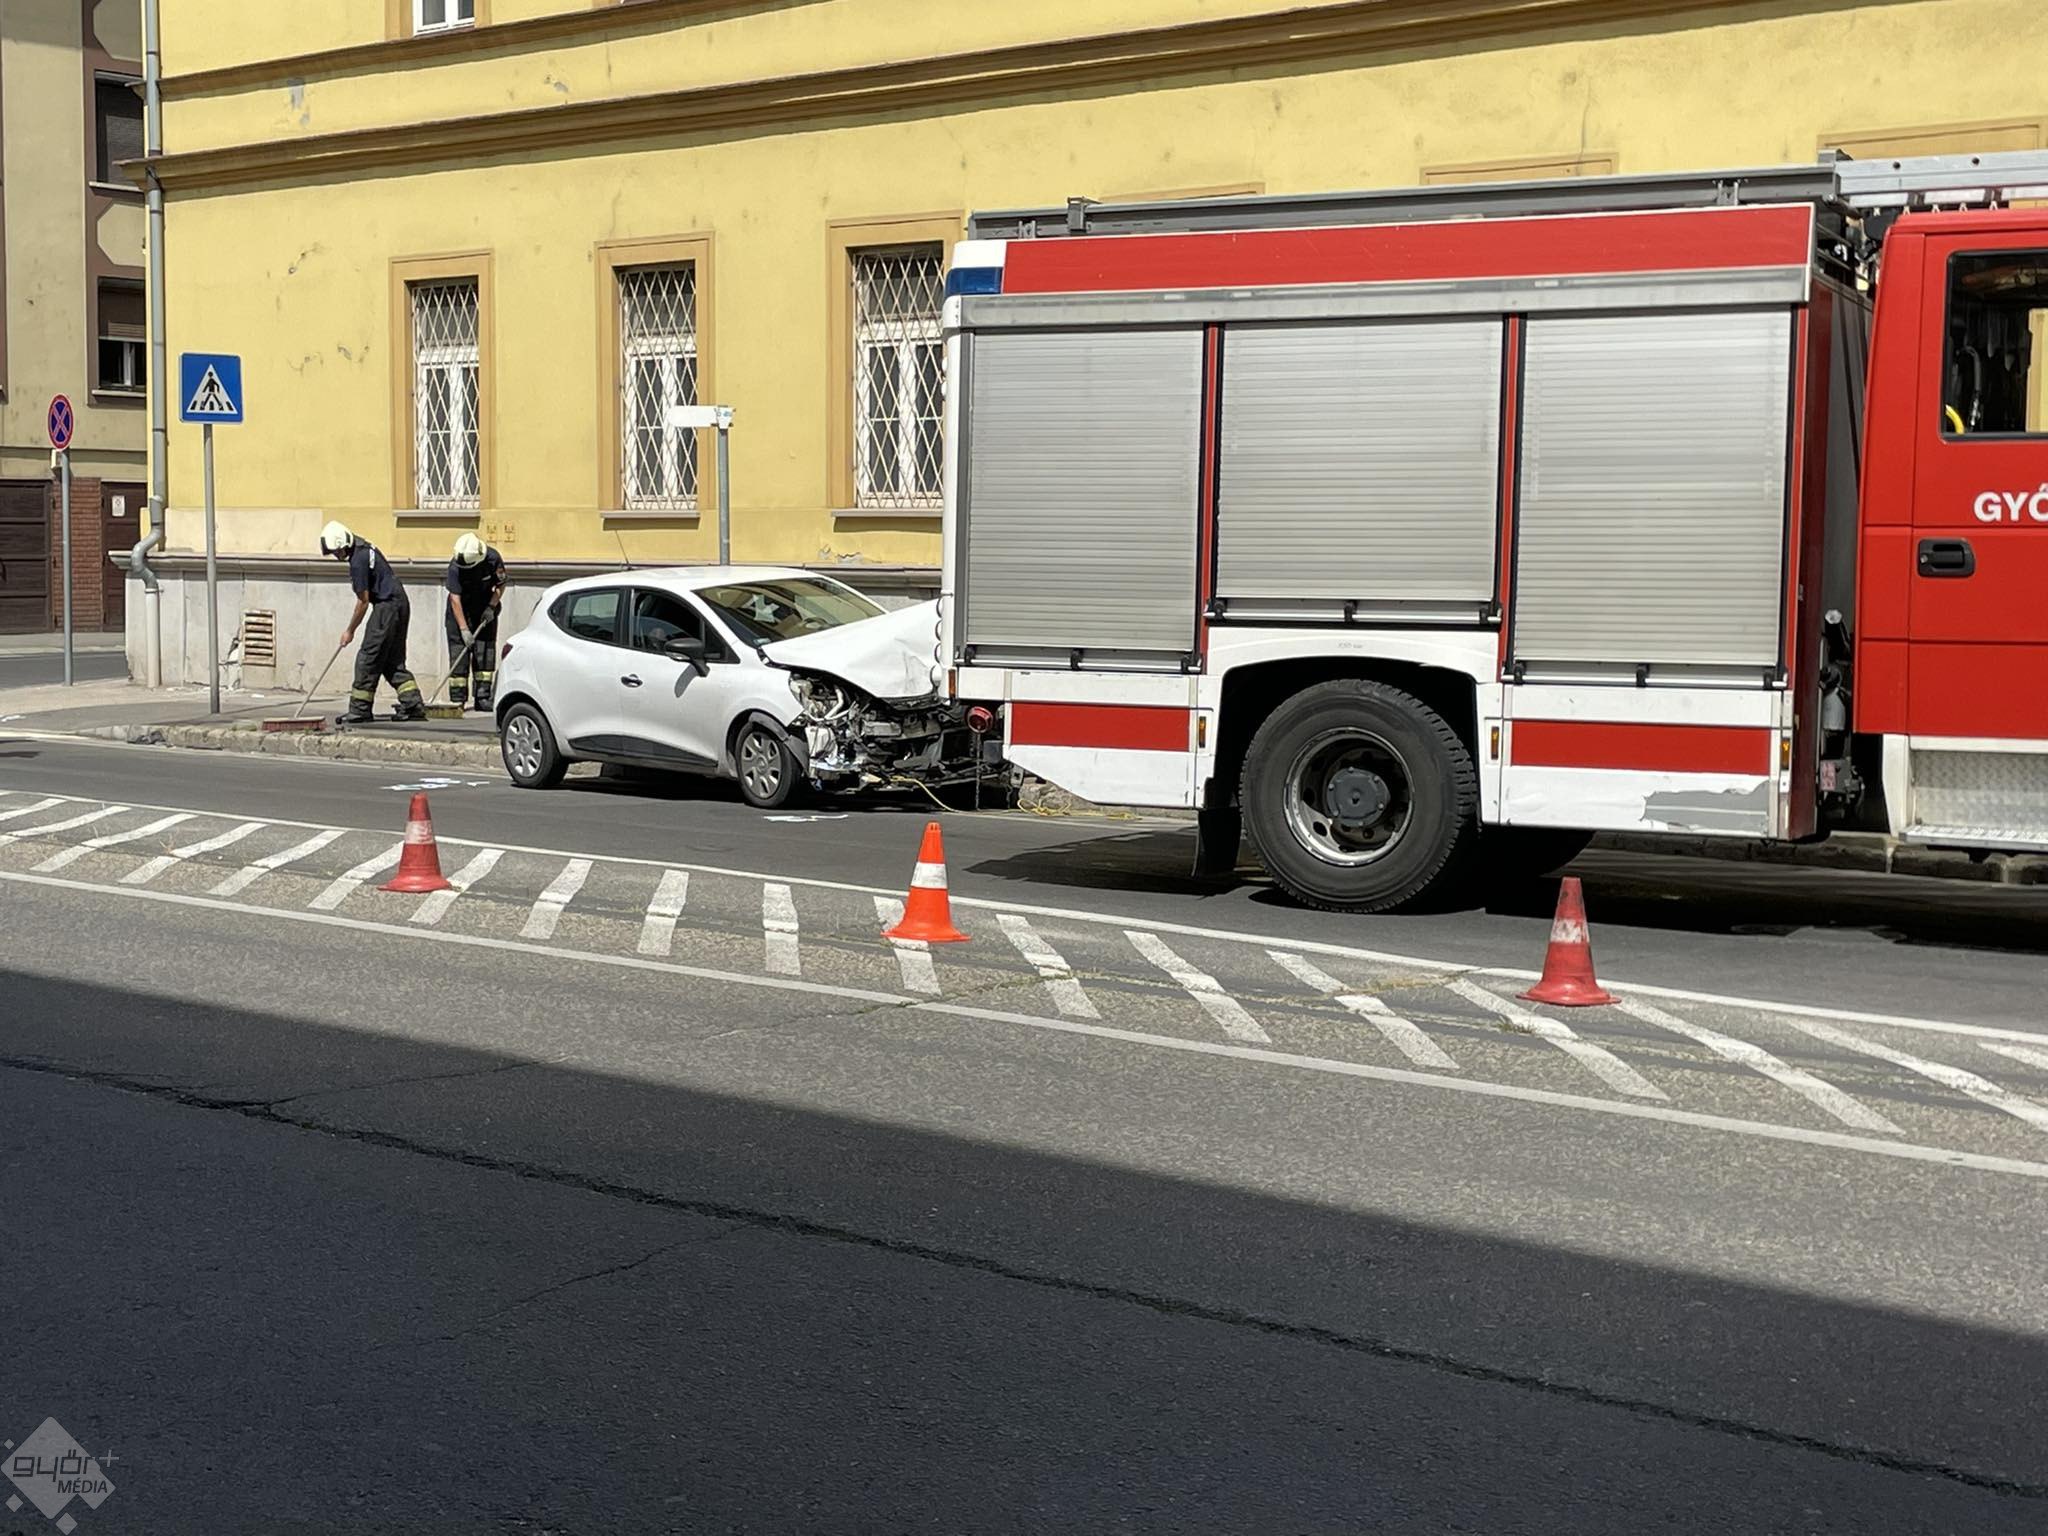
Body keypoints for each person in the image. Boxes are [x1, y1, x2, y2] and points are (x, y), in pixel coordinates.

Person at [319, 521, 425, 723]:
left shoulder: (358, 561)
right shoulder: (365, 548)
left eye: (337, 552)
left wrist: (350, 630)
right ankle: (413, 704)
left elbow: (363, 601)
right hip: (399, 602)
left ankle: (360, 709)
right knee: (392, 661)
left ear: (343, 544)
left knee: (368, 657)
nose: (336, 556)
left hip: (386, 607)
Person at [444, 533, 506, 712]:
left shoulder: (492, 559)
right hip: (460, 612)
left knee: (484, 653)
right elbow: (455, 599)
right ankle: (457, 699)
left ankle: (482, 697)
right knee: (459, 653)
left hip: (484, 610)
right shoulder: (455, 567)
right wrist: (463, 629)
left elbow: (501, 585)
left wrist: (491, 607)